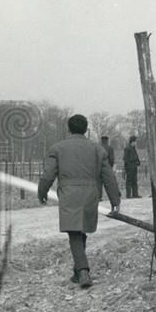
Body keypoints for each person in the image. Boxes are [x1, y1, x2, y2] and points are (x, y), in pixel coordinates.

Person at [38, 114, 121, 288]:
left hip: (69, 194)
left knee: (74, 232)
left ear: (69, 129)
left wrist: (42, 191)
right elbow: (108, 176)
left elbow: (48, 175)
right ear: (86, 129)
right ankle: (77, 272)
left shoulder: (57, 148)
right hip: (91, 194)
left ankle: (83, 270)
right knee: (80, 230)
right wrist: (115, 199)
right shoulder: (98, 149)